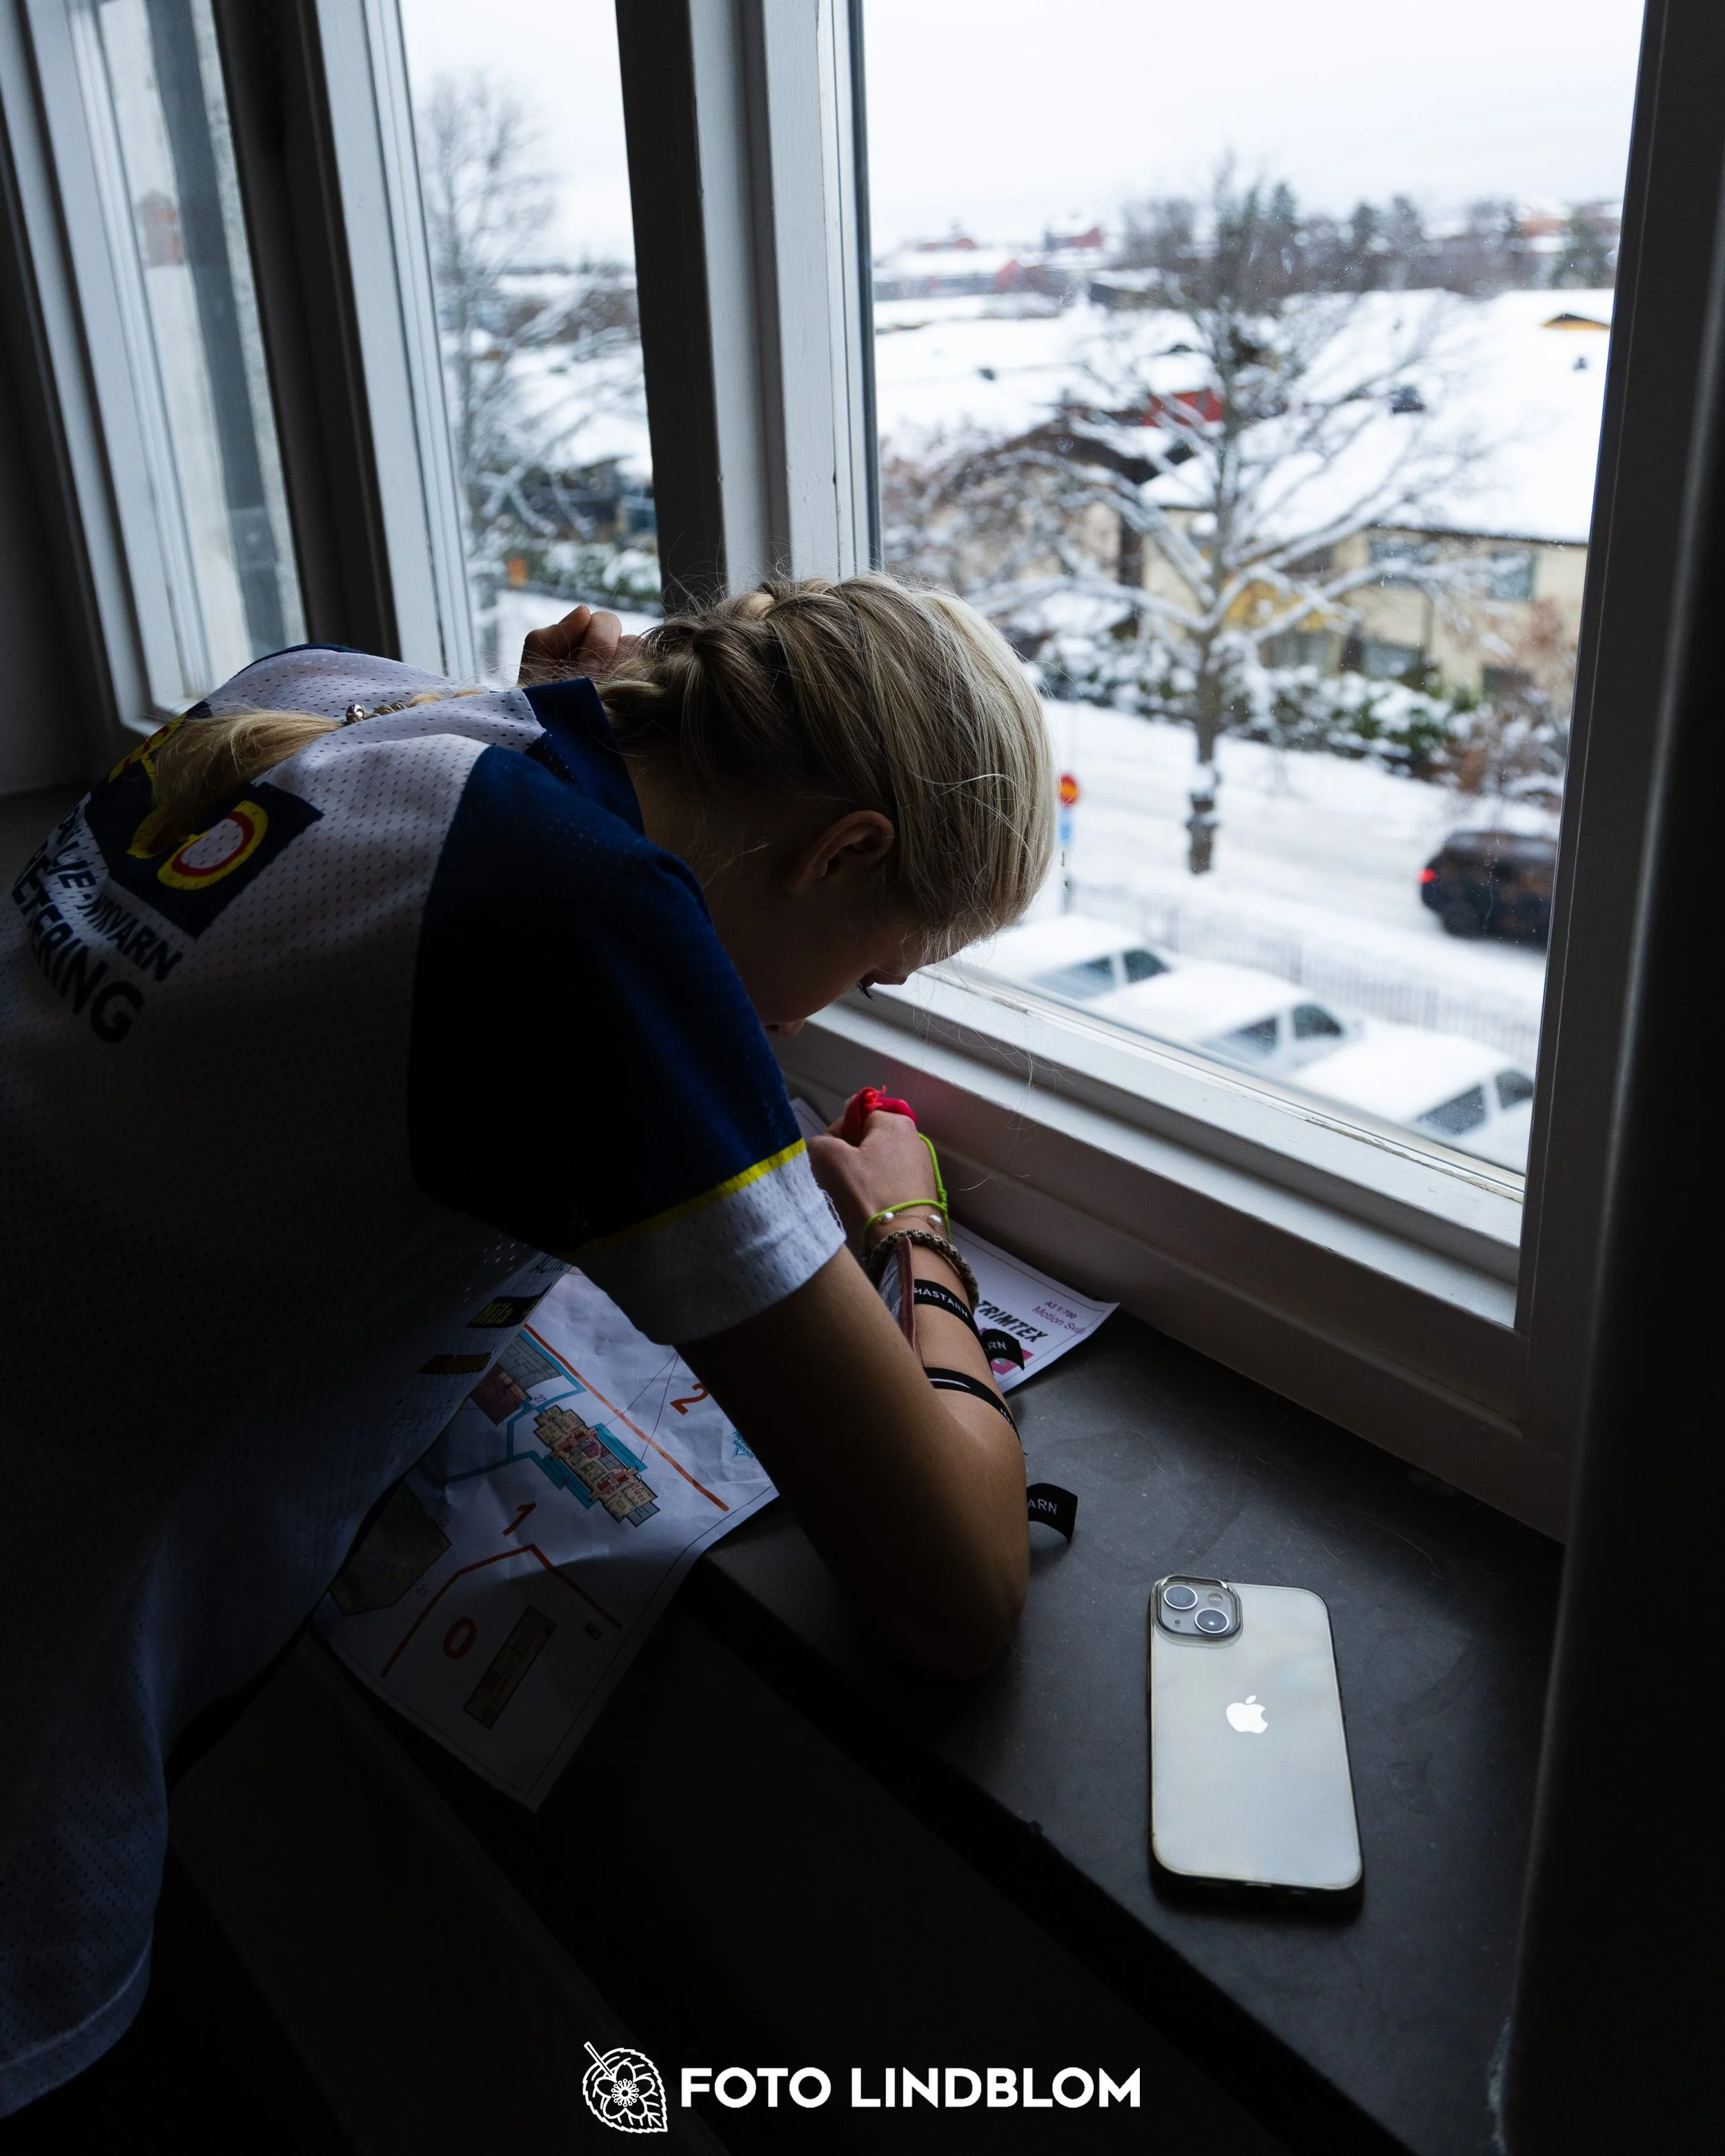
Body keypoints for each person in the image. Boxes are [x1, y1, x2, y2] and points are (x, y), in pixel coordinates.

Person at [0, 573, 1053, 2115]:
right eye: (873, 967)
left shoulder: (328, 687)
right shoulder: (579, 916)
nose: (838, 1010)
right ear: (844, 850)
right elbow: (952, 1590)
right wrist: (916, 1235)